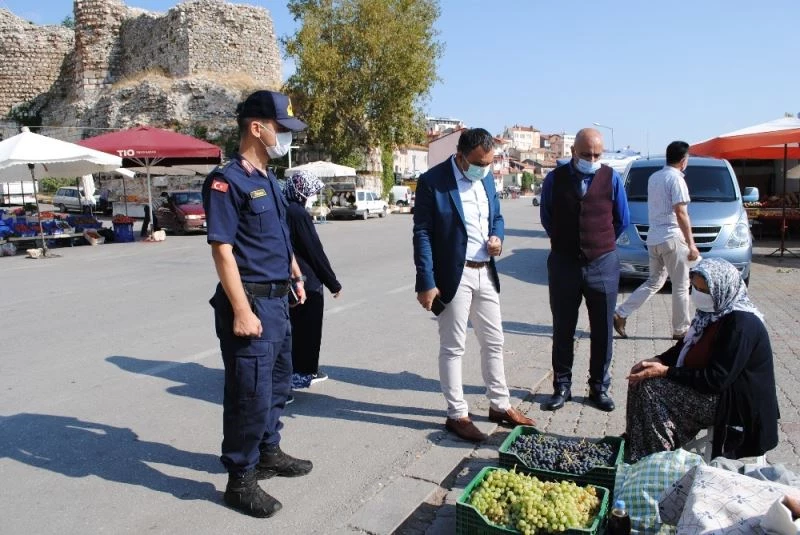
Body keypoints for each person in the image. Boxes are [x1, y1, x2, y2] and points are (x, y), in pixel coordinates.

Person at [202, 90, 313, 518]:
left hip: (278, 299)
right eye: (281, 128)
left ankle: (268, 450)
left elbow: (278, 237)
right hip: (250, 302)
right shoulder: (227, 181)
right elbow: (222, 251)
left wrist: (294, 272)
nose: (286, 137)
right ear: (257, 127)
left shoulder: (267, 178)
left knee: (278, 384)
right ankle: (241, 478)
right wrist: (242, 311)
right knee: (249, 393)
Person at [413, 128, 534, 443]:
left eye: (489, 163)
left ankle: (500, 405)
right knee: (453, 347)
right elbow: (422, 233)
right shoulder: (433, 181)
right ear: (460, 156)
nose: (485, 169)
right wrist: (426, 282)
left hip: (485, 272)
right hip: (454, 276)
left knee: (494, 341)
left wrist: (498, 238)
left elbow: (498, 218)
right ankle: (457, 414)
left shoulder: (488, 179)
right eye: (479, 163)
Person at [625, 258, 779, 462]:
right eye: (695, 288)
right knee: (640, 378)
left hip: (734, 402)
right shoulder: (712, 313)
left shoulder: (741, 324)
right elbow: (685, 347)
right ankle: (637, 443)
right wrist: (658, 359)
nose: (697, 294)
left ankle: (656, 459)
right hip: (713, 389)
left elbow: (716, 379)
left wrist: (665, 371)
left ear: (721, 289)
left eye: (704, 290)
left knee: (652, 389)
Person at [540, 127, 630, 412]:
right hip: (564, 263)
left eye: (597, 155)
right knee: (563, 328)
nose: (592, 159)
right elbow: (547, 217)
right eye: (586, 154)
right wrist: (567, 241)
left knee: (602, 330)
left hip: (602, 264)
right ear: (572, 152)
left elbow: (622, 220)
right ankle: (562, 386)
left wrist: (599, 242)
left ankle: (598, 387)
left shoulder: (611, 178)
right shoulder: (555, 179)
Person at [614, 141, 700, 341]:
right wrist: (691, 244)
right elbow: (681, 212)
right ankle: (681, 330)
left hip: (654, 239)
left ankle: (621, 313)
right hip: (672, 238)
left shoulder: (654, 177)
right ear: (683, 160)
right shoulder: (677, 179)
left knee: (654, 282)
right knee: (681, 285)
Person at [283, 170, 342, 389]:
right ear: (301, 190)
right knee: (308, 329)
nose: (313, 196)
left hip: (288, 277)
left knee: (292, 328)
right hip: (306, 280)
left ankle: (290, 370)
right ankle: (303, 372)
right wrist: (333, 283)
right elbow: (314, 251)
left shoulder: (283, 208)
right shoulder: (298, 213)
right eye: (311, 192)